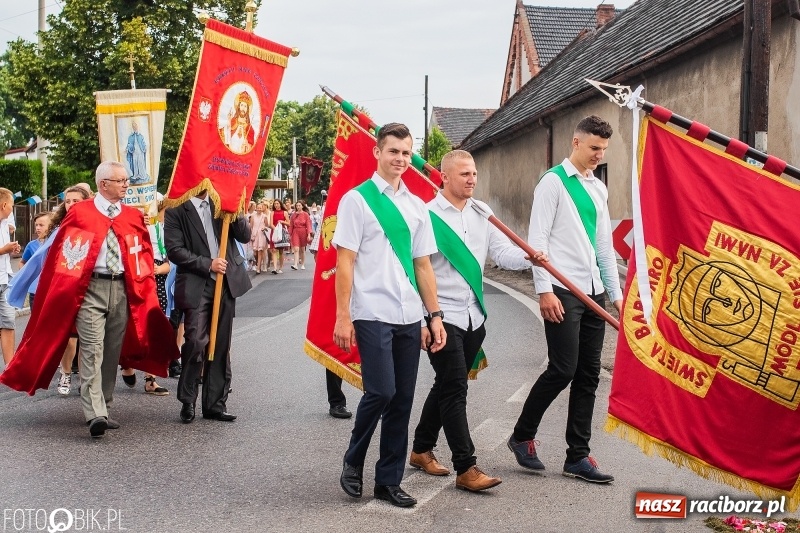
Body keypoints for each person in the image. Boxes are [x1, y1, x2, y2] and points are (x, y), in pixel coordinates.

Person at [0, 162, 178, 437]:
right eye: (120, 180)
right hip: (89, 289)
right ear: (103, 184)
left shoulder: (132, 215)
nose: (126, 184)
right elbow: (61, 253)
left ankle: (104, 404)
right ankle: (94, 412)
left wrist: (143, 287)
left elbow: (141, 251)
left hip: (122, 288)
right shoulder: (80, 213)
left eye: (126, 180)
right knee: (92, 347)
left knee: (111, 348)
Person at [409, 150, 547, 492]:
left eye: (473, 174)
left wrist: (531, 257)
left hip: (474, 316)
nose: (472, 179)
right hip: (442, 316)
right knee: (455, 386)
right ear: (444, 177)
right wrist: (424, 320)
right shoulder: (426, 216)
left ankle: (421, 448)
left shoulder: (482, 212)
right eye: (464, 174)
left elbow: (502, 255)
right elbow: (415, 271)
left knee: (447, 384)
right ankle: (466, 467)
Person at [334, 122, 446, 508]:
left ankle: (388, 480)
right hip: (371, 311)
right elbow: (345, 262)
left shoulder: (417, 206)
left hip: (409, 315)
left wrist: (434, 316)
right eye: (393, 151)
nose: (400, 159)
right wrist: (342, 316)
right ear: (377, 153)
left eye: (406, 153)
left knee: (402, 399)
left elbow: (424, 268)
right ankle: (354, 458)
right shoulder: (358, 200)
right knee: (381, 391)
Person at [508, 115, 622, 484]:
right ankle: (523, 435)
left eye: (603, 150)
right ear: (575, 143)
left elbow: (604, 246)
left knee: (589, 374)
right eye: (593, 148)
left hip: (594, 291)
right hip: (561, 289)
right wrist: (543, 290)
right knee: (563, 369)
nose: (597, 155)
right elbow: (536, 241)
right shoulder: (553, 183)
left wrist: (615, 297)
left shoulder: (598, 189)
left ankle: (578, 456)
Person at [165, 190, 252, 423]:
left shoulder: (223, 202)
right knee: (195, 341)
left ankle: (215, 404)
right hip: (197, 282)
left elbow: (243, 236)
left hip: (226, 283)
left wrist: (237, 211)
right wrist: (208, 264)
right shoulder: (176, 209)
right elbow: (174, 250)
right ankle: (188, 399)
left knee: (221, 344)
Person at [308, 226, 352, 419]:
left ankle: (378, 399)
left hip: (371, 281)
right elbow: (319, 252)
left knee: (375, 343)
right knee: (337, 342)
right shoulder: (333, 207)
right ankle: (336, 401)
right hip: (339, 278)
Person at [0, 188, 20, 365]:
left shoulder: (6, 224)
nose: (12, 210)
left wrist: (11, 249)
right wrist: (3, 250)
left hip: (6, 278)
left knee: (8, 322)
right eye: (12, 206)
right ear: (4, 205)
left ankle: (10, 366)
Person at [19, 212, 51, 310]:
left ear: (51, 226)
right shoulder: (31, 245)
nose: (37, 228)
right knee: (35, 322)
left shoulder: (56, 243)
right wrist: (26, 273)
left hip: (51, 291)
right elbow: (22, 262)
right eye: (36, 225)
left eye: (41, 225)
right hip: (35, 291)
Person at [220, 91, 256, 155]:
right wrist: (228, 122)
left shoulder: (249, 128)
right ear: (238, 107)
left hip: (240, 159)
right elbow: (222, 136)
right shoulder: (232, 121)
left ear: (247, 109)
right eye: (242, 105)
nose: (243, 108)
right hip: (228, 154)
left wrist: (247, 145)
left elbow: (252, 149)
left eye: (245, 106)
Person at [126, 120, 150, 184]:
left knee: (141, 163)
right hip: (134, 152)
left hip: (140, 151)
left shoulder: (140, 136)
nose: (134, 127)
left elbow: (143, 143)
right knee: (135, 163)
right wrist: (128, 147)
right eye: (133, 126)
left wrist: (145, 147)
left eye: (135, 126)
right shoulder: (131, 136)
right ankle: (136, 175)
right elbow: (129, 144)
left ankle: (142, 175)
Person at [268, 199, 289, 274]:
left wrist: (282, 222)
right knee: (274, 250)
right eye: (275, 204)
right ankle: (274, 267)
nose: (276, 205)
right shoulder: (272, 212)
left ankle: (280, 267)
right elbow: (270, 224)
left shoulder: (285, 212)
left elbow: (288, 223)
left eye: (277, 203)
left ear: (280, 204)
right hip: (274, 232)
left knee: (281, 251)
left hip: (282, 232)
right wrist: (276, 229)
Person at [289, 201, 312, 270]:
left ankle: (302, 264)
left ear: (302, 206)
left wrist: (308, 234)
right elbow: (291, 225)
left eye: (299, 205)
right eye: (297, 206)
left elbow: (308, 224)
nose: (298, 207)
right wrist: (289, 234)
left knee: (302, 249)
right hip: (295, 232)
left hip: (303, 232)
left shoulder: (305, 214)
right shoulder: (293, 215)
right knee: (296, 248)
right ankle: (295, 264)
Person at [249, 202, 269, 274]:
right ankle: (258, 263)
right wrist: (250, 235)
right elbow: (251, 226)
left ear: (262, 209)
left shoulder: (264, 216)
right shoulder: (253, 216)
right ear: (256, 208)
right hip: (254, 235)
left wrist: (264, 228)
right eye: (258, 208)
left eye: (260, 208)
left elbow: (267, 226)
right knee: (255, 252)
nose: (259, 209)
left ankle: (258, 268)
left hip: (261, 235)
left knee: (260, 251)